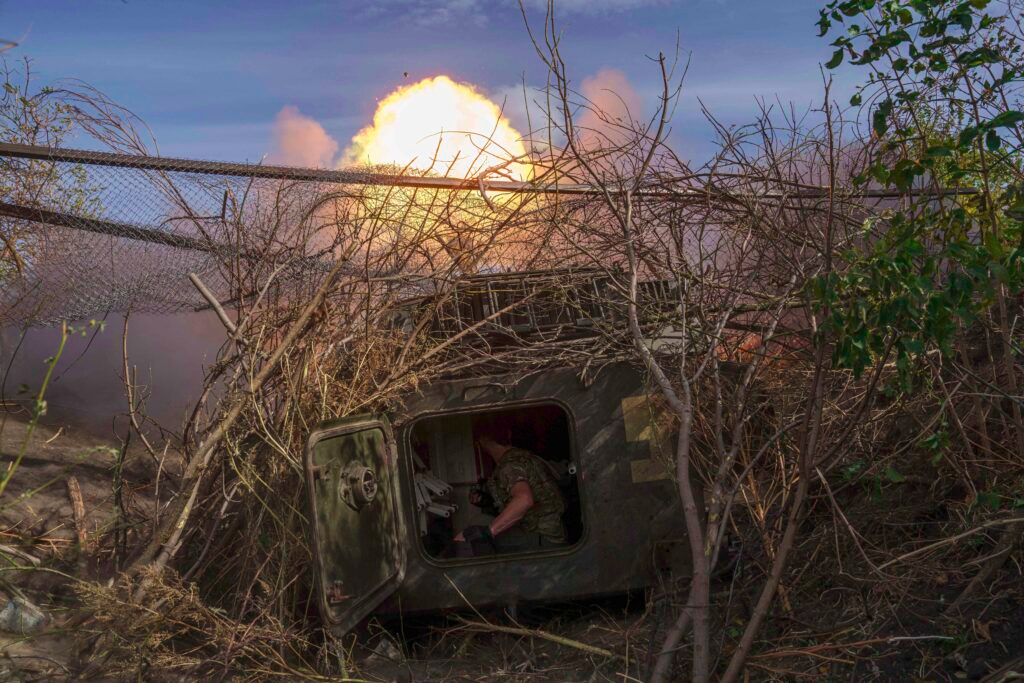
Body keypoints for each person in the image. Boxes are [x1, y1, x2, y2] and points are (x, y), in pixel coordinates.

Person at [454, 417, 567, 554]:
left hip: (540, 537)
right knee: (482, 521)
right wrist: (487, 501)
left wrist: (489, 531)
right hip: (552, 533)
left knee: (472, 534)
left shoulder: (508, 465)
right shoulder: (524, 457)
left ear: (482, 441)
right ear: (508, 434)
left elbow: (524, 500)